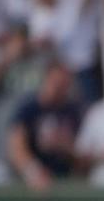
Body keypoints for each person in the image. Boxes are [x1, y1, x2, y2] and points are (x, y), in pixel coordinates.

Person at [7, 62, 84, 190]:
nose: (58, 89)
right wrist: (33, 172)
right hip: (30, 184)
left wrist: (65, 147)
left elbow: (82, 158)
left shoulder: (73, 112)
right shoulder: (29, 109)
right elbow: (16, 147)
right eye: (56, 83)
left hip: (64, 181)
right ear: (46, 79)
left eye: (64, 85)